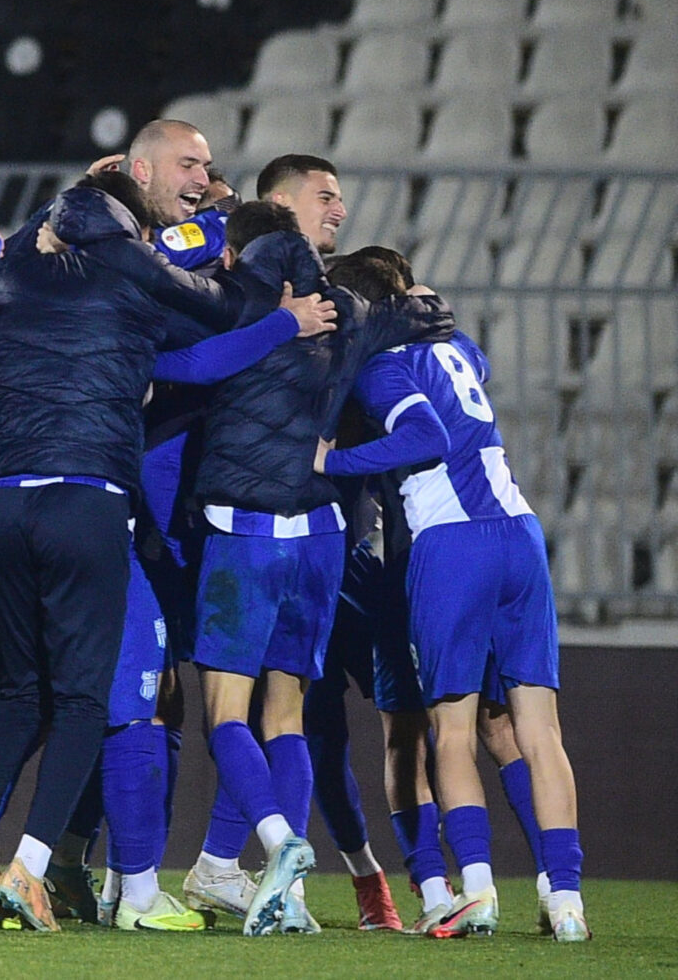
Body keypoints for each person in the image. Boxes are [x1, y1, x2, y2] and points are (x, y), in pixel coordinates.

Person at [0, 169, 247, 931]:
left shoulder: (13, 268)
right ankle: (34, 868)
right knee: (81, 699)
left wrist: (10, 256)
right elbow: (221, 311)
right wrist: (228, 247)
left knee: (18, 693)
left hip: (8, 501)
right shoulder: (135, 267)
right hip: (91, 496)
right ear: (121, 223)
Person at [183, 200, 453, 935]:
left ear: (237, 253)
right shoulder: (350, 312)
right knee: (288, 713)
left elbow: (177, 363)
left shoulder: (231, 301)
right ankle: (289, 896)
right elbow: (432, 312)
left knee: (224, 712)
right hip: (324, 536)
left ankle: (282, 843)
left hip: (246, 530)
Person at [320, 250, 589, 942]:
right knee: (540, 732)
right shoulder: (457, 351)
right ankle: (565, 900)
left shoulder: (381, 368)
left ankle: (475, 890)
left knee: (451, 729)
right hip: (520, 534)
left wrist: (333, 460)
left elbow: (424, 433)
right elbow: (465, 367)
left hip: (451, 542)